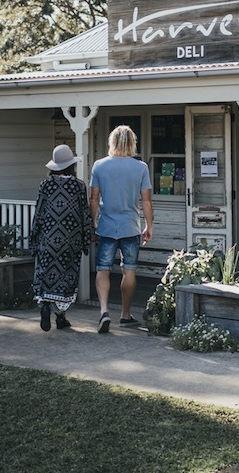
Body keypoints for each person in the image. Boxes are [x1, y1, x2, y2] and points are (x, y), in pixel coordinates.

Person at [90, 125, 153, 333]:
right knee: (129, 269)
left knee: (103, 269)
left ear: (112, 142)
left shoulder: (99, 166)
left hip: (107, 226)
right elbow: (146, 201)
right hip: (130, 226)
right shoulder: (141, 167)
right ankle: (125, 315)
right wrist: (149, 225)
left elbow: (94, 198)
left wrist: (93, 221)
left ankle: (104, 311)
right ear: (132, 143)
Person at [31, 144, 93, 332]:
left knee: (46, 275)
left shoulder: (45, 184)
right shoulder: (79, 185)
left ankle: (44, 308)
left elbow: (39, 212)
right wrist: (86, 239)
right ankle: (60, 317)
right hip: (70, 241)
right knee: (66, 277)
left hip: (48, 239)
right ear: (71, 165)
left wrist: (34, 238)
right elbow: (84, 214)